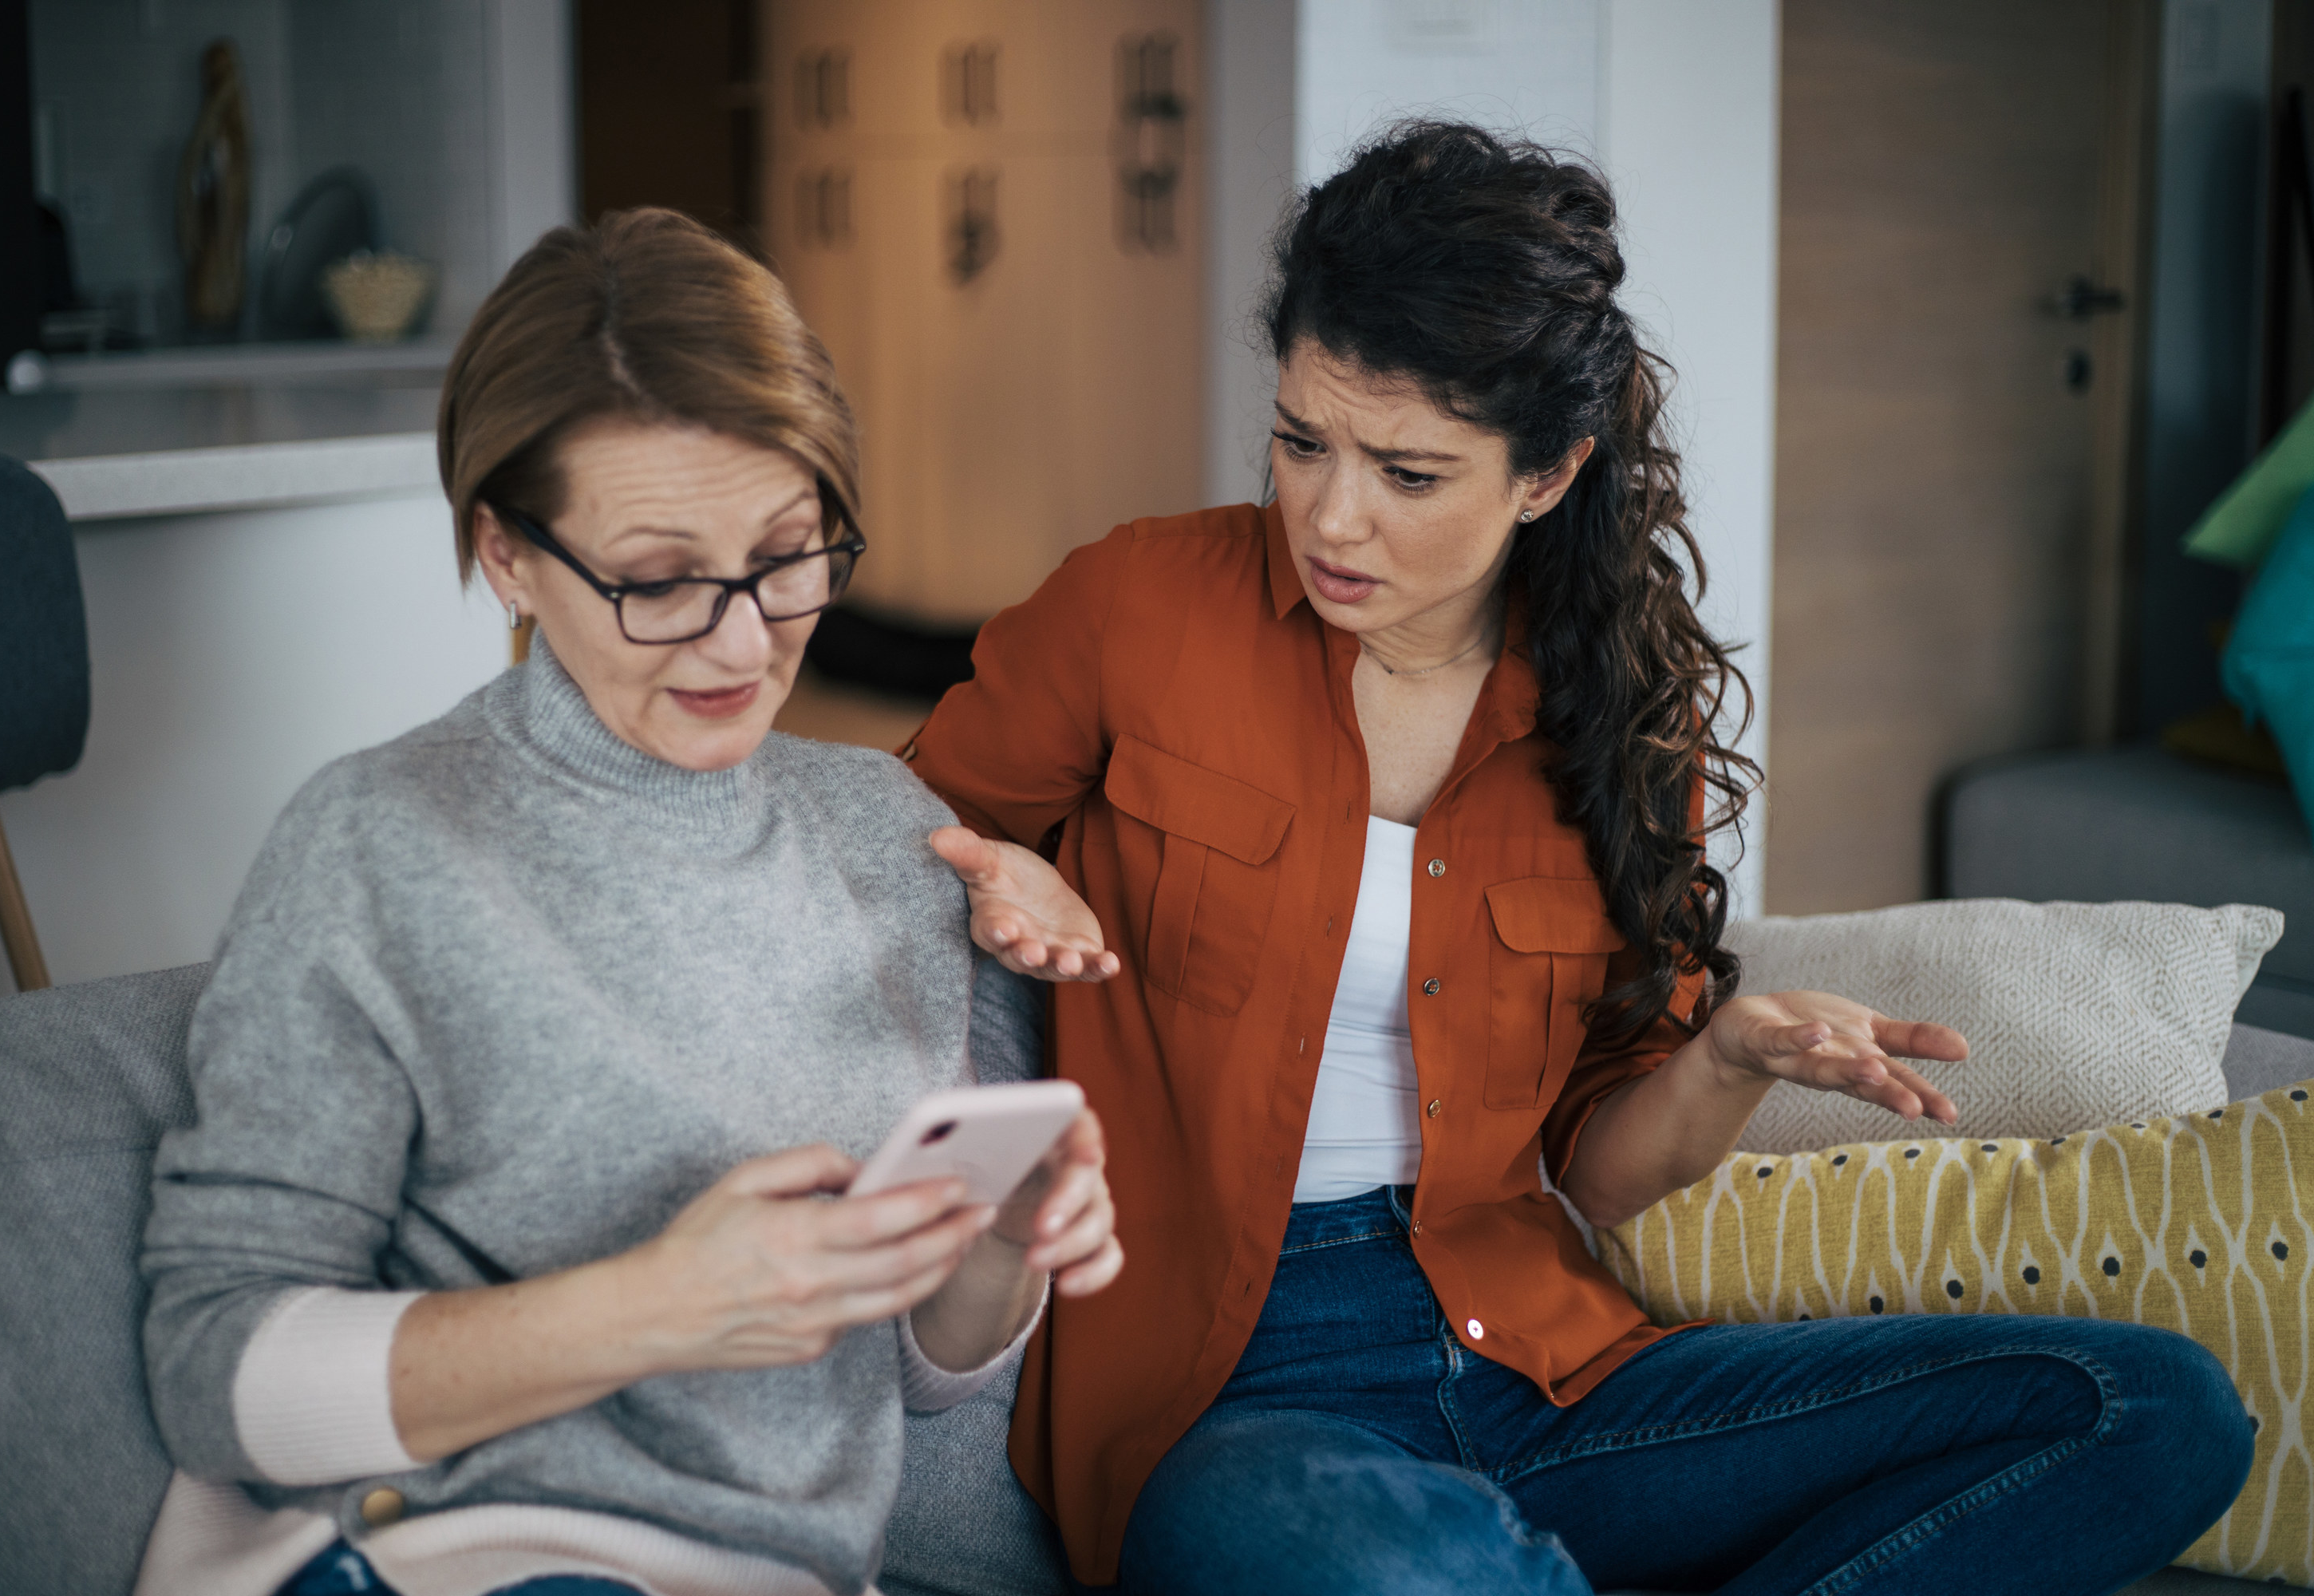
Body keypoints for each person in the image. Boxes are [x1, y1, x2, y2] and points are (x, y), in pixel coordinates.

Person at [908, 124, 2253, 1595]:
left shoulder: (1617, 727)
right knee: (1323, 1560)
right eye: (1302, 441)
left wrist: (1729, 1058)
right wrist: (995, 869)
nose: (1330, 515)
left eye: (1409, 473)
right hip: (1234, 1410)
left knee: (2155, 1407)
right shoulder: (1137, 606)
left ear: (1546, 476)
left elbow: (1598, 1182)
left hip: (1536, 1368)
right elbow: (884, 844)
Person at [133, 209, 1121, 1596]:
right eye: (657, 582)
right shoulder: (381, 844)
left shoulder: (886, 836)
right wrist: (659, 1306)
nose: (738, 639)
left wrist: (1003, 1248)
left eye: (789, 556)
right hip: (455, 1554)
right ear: (509, 556)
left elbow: (917, 1380)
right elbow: (214, 1375)